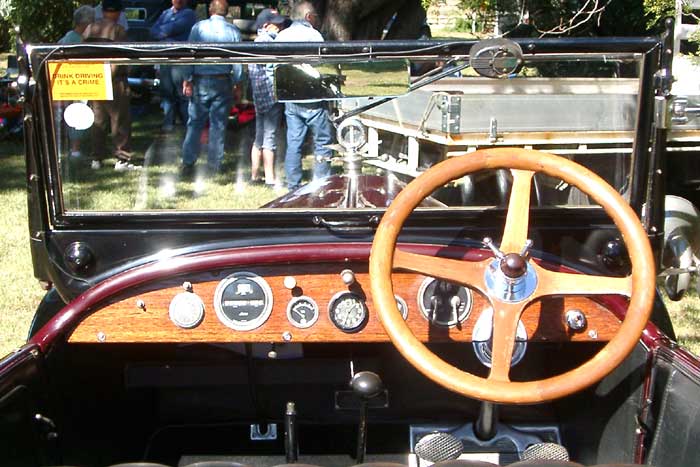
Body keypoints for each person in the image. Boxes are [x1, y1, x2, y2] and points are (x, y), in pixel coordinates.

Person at [275, 1, 334, 190]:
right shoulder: (314, 35)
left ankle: (293, 184)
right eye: (315, 17)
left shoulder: (282, 36)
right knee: (323, 141)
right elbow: (321, 65)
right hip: (312, 96)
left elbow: (273, 65)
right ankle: (321, 181)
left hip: (290, 96)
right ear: (309, 17)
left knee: (294, 141)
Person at [180, 0, 242, 176]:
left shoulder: (198, 28)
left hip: (200, 80)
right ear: (227, 11)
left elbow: (189, 54)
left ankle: (188, 161)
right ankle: (214, 164)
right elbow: (237, 60)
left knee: (195, 123)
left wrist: (187, 78)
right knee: (218, 124)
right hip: (222, 80)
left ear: (210, 9)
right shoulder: (233, 31)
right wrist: (238, 83)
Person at [83, 0, 135, 170]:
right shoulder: (118, 30)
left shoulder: (89, 29)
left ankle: (96, 159)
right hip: (114, 81)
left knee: (98, 121)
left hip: (94, 79)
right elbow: (121, 58)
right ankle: (122, 159)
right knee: (119, 121)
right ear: (117, 13)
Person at [248, 8, 286, 186]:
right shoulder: (269, 42)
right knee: (269, 138)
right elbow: (274, 70)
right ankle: (270, 178)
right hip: (271, 96)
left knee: (259, 137)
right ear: (265, 25)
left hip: (258, 97)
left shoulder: (255, 42)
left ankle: (254, 175)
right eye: (276, 23)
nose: (280, 26)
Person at [150, 0, 197, 132]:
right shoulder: (165, 13)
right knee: (166, 92)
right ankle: (168, 123)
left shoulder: (189, 14)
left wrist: (164, 32)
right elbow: (153, 31)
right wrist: (165, 32)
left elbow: (173, 28)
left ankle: (187, 124)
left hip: (181, 59)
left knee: (182, 92)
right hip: (165, 58)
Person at [58, 5, 95, 159]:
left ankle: (76, 147)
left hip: (72, 81)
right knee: (79, 112)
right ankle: (75, 149)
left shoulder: (68, 37)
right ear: (85, 23)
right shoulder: (77, 40)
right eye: (92, 21)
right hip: (77, 81)